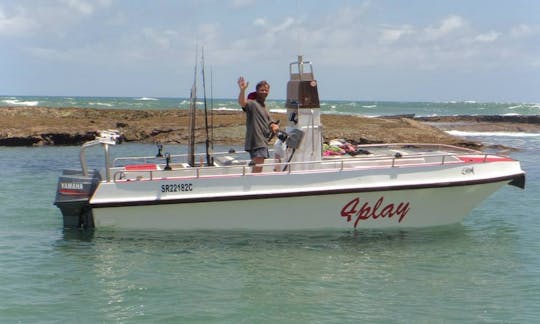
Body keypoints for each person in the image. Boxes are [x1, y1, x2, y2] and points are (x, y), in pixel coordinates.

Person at [237, 77, 279, 173]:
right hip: (257, 142)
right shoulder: (253, 104)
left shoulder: (264, 107)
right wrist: (242, 90)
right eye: (262, 90)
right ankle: (253, 186)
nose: (264, 92)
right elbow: (242, 103)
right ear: (257, 91)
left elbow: (270, 122)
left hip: (263, 142)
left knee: (258, 167)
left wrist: (274, 126)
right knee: (257, 169)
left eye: (266, 90)